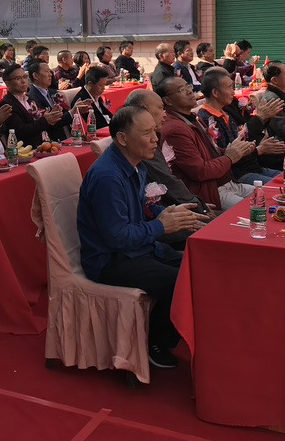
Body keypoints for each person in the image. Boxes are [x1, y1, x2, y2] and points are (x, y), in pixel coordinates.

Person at [77, 105, 208, 368]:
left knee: (200, 267)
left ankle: (179, 333)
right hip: (111, 260)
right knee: (181, 281)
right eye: (147, 133)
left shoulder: (137, 165)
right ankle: (156, 342)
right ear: (123, 138)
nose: (155, 139)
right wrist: (161, 226)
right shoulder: (108, 177)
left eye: (155, 131)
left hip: (139, 248)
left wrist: (167, 213)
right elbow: (117, 237)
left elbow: (141, 209)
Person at [158, 76, 255, 211]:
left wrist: (235, 150)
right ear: (167, 101)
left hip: (227, 182)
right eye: (181, 90)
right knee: (256, 211)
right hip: (211, 192)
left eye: (188, 86)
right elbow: (200, 171)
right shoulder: (174, 129)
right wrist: (229, 158)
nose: (189, 91)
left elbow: (209, 153)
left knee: (266, 197)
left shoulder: (191, 118)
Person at [124, 89, 209, 217]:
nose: (165, 114)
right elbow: (167, 180)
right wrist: (197, 206)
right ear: (144, 109)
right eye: (160, 108)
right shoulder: (139, 144)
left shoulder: (153, 136)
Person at [196, 68, 285, 184]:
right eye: (229, 87)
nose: (233, 92)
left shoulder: (225, 113)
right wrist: (258, 150)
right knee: (283, 185)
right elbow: (226, 155)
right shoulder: (208, 120)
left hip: (253, 167)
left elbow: (242, 138)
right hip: (237, 175)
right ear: (215, 93)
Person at [0, 63, 67, 148]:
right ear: (7, 83)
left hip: (45, 143)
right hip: (27, 148)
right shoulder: (7, 103)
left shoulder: (30, 99)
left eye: (25, 77)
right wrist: (45, 120)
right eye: (18, 78)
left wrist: (53, 115)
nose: (23, 81)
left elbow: (41, 121)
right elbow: (20, 131)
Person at [28, 61, 89, 143]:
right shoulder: (32, 98)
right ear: (35, 76)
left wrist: (76, 110)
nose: (50, 74)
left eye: (50, 71)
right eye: (46, 71)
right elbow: (49, 125)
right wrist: (72, 112)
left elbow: (65, 115)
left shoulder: (54, 93)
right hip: (51, 141)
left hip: (68, 136)